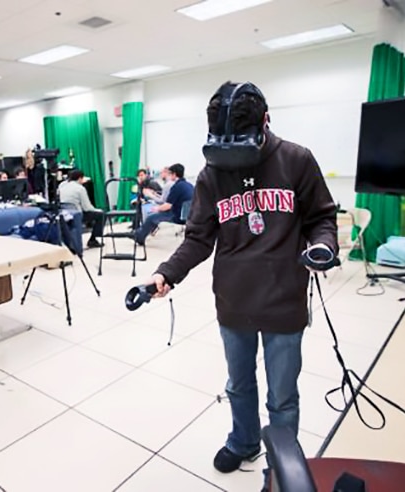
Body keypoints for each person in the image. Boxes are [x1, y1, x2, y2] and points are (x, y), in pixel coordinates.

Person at [146, 81, 338, 491]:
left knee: (282, 395)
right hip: (233, 299)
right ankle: (244, 441)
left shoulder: (296, 160)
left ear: (266, 121)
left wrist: (322, 245)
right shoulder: (213, 173)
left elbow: (322, 216)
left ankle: (281, 461)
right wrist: (166, 273)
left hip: (284, 297)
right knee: (238, 383)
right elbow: (198, 237)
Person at [133, 163, 193, 245]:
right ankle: (139, 233)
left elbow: (167, 205)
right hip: (188, 215)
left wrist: (156, 208)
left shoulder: (176, 187)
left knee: (151, 217)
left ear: (174, 174)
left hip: (177, 215)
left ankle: (139, 236)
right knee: (155, 216)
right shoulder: (189, 185)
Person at [59, 169, 104, 248]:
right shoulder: (80, 188)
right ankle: (93, 240)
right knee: (101, 215)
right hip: (76, 214)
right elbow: (87, 208)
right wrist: (98, 210)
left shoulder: (62, 185)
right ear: (80, 178)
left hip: (64, 213)